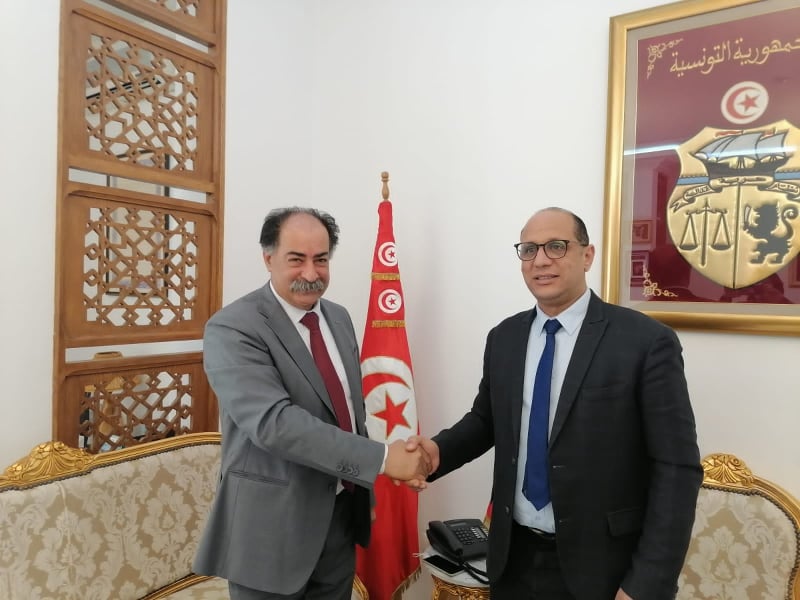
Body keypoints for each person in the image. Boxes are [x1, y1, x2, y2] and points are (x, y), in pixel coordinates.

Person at [408, 207, 702, 600]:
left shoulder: (645, 342)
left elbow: (677, 468)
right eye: (529, 249)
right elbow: (487, 420)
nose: (541, 260)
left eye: (556, 246)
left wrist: (646, 583)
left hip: (605, 567)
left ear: (587, 255)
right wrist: (437, 451)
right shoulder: (504, 338)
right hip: (513, 559)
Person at [193, 207, 431, 600]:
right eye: (296, 259)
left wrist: (369, 484)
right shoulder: (233, 327)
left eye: (321, 259)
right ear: (268, 258)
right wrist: (383, 459)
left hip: (340, 520)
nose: (311, 272)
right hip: (272, 529)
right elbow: (274, 424)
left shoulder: (338, 318)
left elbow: (349, 415)